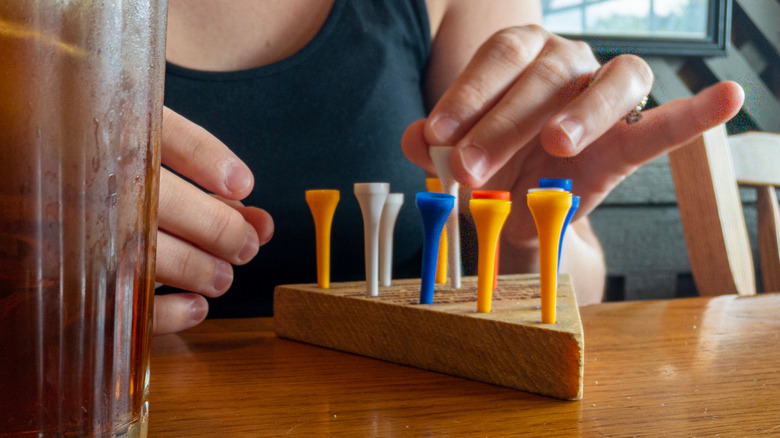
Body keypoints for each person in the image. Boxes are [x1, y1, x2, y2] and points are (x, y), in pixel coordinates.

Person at [153, 0, 745, 335]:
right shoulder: (63, 26)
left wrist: (530, 238)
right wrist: (61, 292)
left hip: (416, 406)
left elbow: (579, 289)